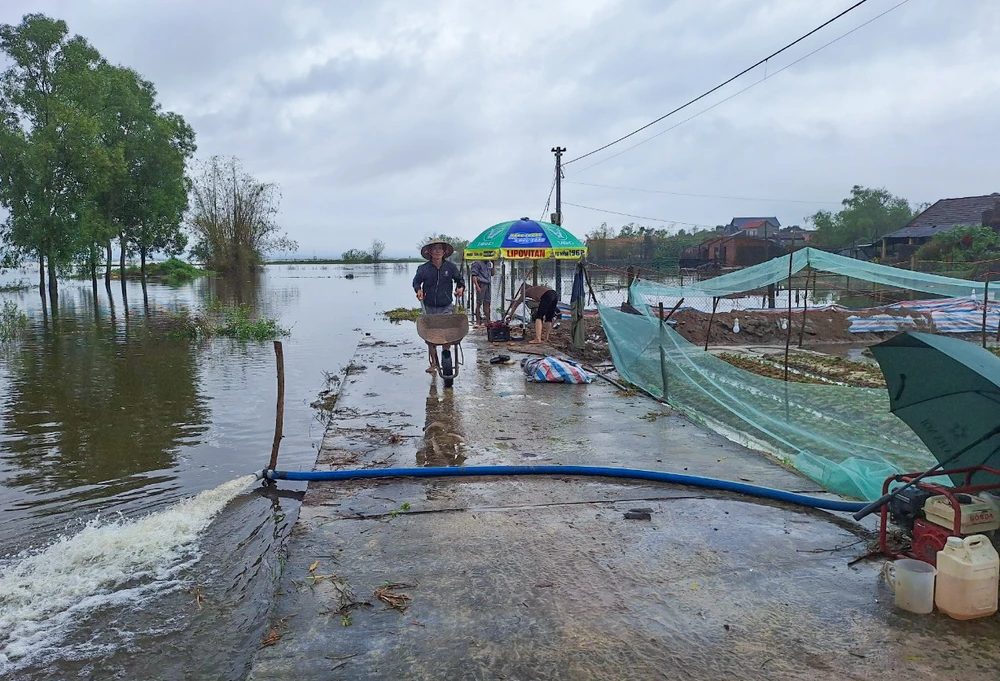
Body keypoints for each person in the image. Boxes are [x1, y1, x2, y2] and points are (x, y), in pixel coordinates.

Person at [413, 240, 465, 373]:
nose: (437, 251)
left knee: (445, 333)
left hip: (446, 305)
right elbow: (416, 282)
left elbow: (460, 280)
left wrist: (460, 288)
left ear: (444, 252)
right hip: (429, 305)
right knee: (430, 336)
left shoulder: (450, 267)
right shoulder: (423, 268)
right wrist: (418, 290)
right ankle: (434, 363)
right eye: (434, 249)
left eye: (440, 249)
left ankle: (446, 355)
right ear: (429, 252)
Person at [470, 258, 494, 326]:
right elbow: (474, 276)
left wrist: (493, 264)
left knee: (487, 302)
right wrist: (477, 286)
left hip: (488, 284)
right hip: (481, 283)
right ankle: (477, 321)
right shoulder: (477, 263)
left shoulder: (489, 263)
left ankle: (488, 320)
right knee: (479, 303)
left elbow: (492, 273)